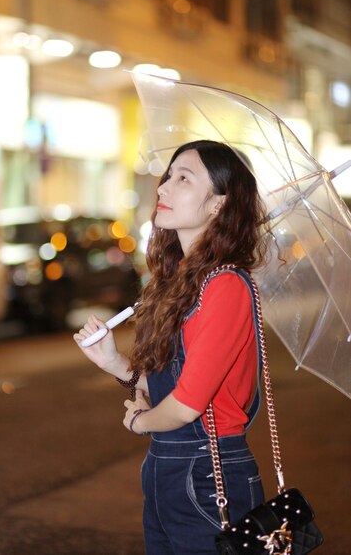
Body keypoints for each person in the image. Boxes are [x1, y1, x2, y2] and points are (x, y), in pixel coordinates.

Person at [73, 139, 269, 555]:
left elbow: (185, 405)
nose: (163, 188)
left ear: (218, 204)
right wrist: (113, 361)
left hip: (208, 474)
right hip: (167, 469)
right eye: (167, 177)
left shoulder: (225, 286)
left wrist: (138, 423)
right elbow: (162, 385)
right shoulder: (178, 284)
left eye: (184, 178)